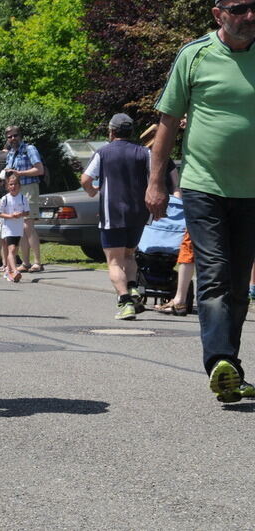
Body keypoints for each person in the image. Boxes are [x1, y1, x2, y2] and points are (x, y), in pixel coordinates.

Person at [147, 0, 255, 402]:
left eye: (254, 7)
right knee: (215, 273)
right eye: (240, 7)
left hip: (252, 192)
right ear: (218, 14)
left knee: (239, 285)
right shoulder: (195, 56)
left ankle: (230, 368)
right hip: (203, 186)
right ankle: (220, 361)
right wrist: (156, 181)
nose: (249, 15)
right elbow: (168, 121)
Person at [81, 113, 149, 320]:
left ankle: (125, 301)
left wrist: (92, 190)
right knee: (129, 255)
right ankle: (133, 287)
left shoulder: (104, 152)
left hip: (113, 213)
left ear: (111, 132)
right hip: (138, 213)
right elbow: (155, 178)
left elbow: (85, 179)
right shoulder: (144, 152)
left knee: (114, 261)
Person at [4, 126, 44, 273]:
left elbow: (39, 170)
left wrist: (19, 173)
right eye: (9, 137)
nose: (13, 139)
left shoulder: (29, 149)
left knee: (28, 226)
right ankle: (26, 263)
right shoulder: (11, 152)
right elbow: (10, 172)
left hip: (29, 188)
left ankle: (38, 262)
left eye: (15, 136)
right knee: (21, 226)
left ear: (20, 136)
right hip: (17, 191)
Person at [0, 174, 29, 283]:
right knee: (11, 249)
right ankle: (15, 271)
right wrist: (10, 216)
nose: (13, 186)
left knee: (15, 250)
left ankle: (8, 270)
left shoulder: (22, 198)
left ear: (19, 186)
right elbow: (0, 213)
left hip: (18, 228)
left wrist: (21, 214)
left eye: (15, 184)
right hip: (8, 228)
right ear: (7, 186)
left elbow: (27, 212)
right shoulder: (5, 199)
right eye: (11, 184)